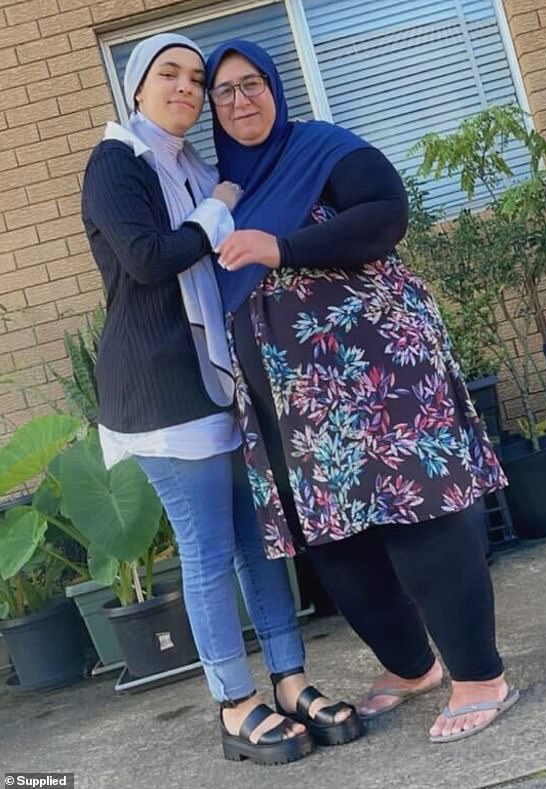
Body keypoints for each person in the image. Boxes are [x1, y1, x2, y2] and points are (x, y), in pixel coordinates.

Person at [205, 39, 520, 744]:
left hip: (378, 378)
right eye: (223, 92)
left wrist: (278, 247)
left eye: (251, 83)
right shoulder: (221, 191)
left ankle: (481, 676)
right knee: (337, 546)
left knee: (421, 520)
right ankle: (412, 667)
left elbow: (386, 214)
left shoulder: (321, 148)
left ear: (275, 87)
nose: (240, 101)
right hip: (295, 405)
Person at [81, 32, 363, 766]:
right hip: (159, 389)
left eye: (196, 78)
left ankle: (291, 680)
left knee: (254, 539)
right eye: (168, 74)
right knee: (208, 550)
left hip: (214, 378)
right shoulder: (117, 162)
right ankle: (234, 704)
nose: (187, 87)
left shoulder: (190, 165)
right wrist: (222, 205)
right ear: (136, 87)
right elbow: (149, 260)